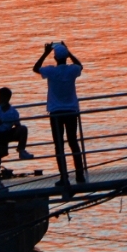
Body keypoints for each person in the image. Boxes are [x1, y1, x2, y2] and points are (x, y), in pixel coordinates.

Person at [34, 41, 85, 185]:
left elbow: (36, 68)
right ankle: (79, 175)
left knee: (59, 145)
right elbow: (80, 66)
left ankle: (64, 177)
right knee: (73, 142)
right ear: (66, 57)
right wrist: (69, 52)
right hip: (71, 111)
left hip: (56, 112)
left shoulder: (51, 71)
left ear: (55, 58)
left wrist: (45, 53)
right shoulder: (72, 70)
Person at [0, 86, 33, 161]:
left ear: (6, 98)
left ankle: (21, 150)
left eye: (0, 97)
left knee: (23, 129)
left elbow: (17, 125)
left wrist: (17, 127)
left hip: (7, 133)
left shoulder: (13, 112)